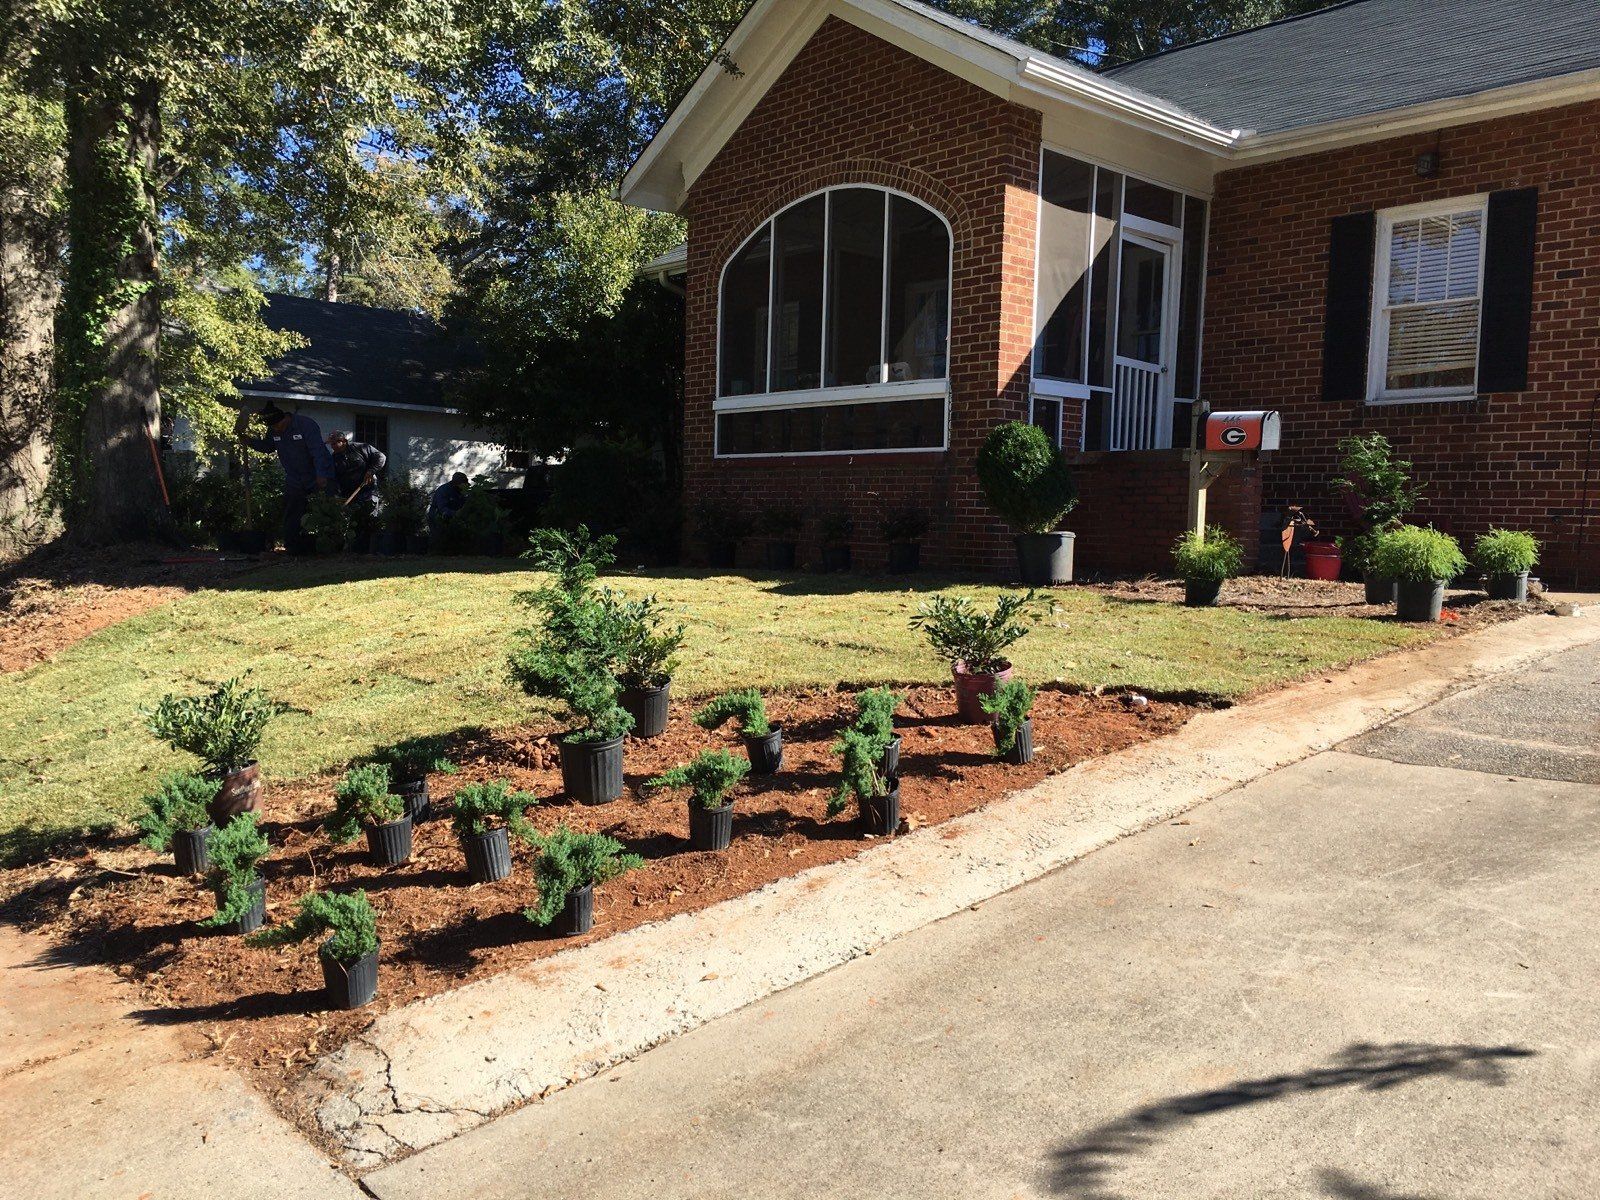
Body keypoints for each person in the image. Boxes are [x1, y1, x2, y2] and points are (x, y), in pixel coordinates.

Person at [235, 403, 334, 551]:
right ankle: (293, 546)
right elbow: (268, 447)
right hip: (295, 477)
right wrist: (250, 441)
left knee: (326, 509)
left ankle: (331, 544)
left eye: (278, 426)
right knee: (292, 510)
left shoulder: (305, 425)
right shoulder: (274, 430)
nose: (276, 430)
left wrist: (321, 474)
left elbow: (318, 452)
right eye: (273, 428)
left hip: (318, 473)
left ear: (285, 419)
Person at [327, 431, 387, 526]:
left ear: (343, 441)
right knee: (353, 525)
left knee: (369, 522)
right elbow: (334, 479)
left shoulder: (359, 448)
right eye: (331, 444)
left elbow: (381, 457)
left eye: (334, 443)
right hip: (349, 495)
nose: (332, 446)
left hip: (368, 491)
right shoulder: (334, 458)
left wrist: (371, 471)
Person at [428, 472, 469, 536]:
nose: (466, 486)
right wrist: (456, 513)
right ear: (456, 484)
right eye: (463, 484)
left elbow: (463, 503)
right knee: (440, 540)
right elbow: (442, 509)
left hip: (452, 520)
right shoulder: (443, 490)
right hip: (437, 520)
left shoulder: (461, 490)